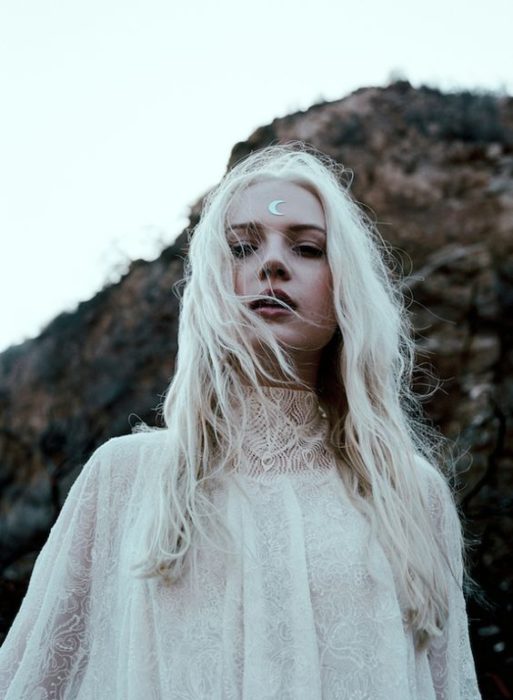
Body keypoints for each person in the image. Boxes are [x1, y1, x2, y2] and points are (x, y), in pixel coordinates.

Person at [0, 143, 481, 699]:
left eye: (306, 248)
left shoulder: (408, 494)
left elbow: (450, 685)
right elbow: (31, 680)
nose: (271, 264)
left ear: (344, 284)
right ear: (211, 286)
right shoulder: (123, 477)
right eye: (242, 246)